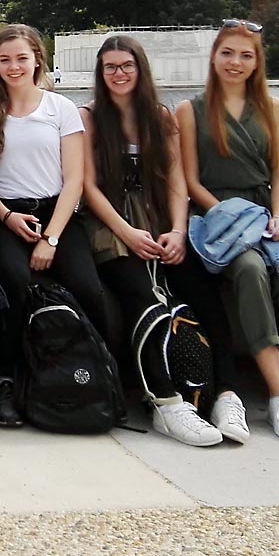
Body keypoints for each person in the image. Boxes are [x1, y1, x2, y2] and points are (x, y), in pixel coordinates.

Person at [78, 36, 224, 447]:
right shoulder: (89, 118)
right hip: (110, 226)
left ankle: (223, 394)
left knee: (202, 288)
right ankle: (165, 401)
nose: (118, 74)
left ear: (140, 70)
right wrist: (125, 232)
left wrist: (178, 230)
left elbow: (177, 182)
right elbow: (88, 187)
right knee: (141, 295)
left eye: (126, 66)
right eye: (110, 67)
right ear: (100, 73)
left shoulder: (160, 118)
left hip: (160, 219)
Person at [176, 20, 279, 441]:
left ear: (257, 63)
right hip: (219, 218)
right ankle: (276, 394)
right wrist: (233, 215)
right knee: (250, 270)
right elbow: (191, 181)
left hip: (265, 212)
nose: (235, 62)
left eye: (245, 55)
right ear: (214, 57)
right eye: (227, 53)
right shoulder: (190, 111)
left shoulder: (274, 109)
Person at [0, 24, 112, 428]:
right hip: (8, 214)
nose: (14, 67)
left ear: (37, 58)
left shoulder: (60, 109)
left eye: (21, 58)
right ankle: (6, 383)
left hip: (59, 214)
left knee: (87, 286)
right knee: (12, 283)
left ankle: (103, 375)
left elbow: (74, 179)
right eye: (5, 60)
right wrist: (7, 217)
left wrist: (51, 237)